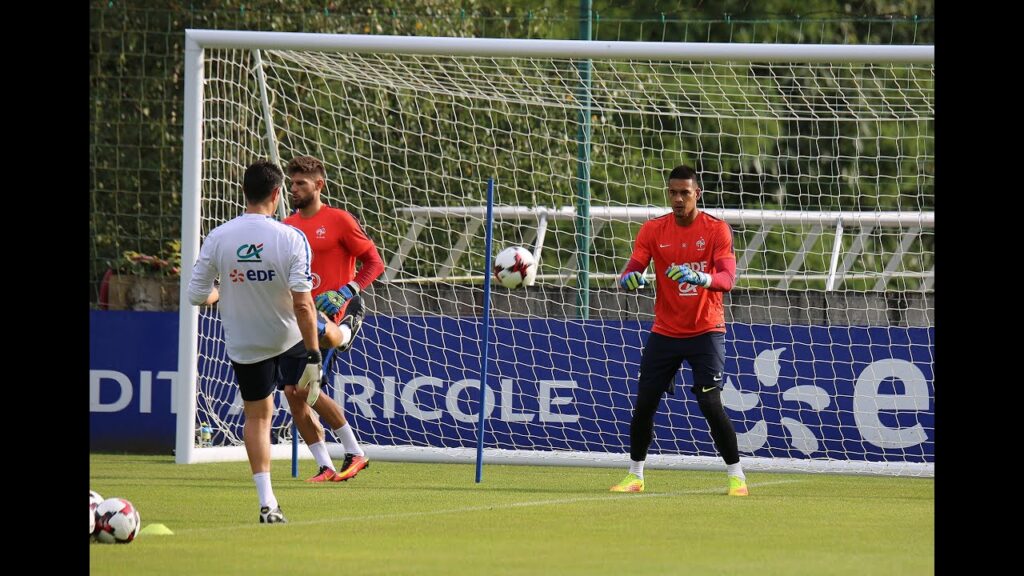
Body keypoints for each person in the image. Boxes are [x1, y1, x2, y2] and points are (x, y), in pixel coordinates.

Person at [187, 159, 325, 523]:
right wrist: (314, 354)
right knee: (301, 399)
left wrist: (227, 291)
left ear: (244, 192)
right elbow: (304, 303)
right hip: (289, 338)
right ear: (278, 194)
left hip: (245, 342)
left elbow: (197, 295)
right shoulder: (291, 237)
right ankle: (329, 460)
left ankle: (267, 501)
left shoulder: (219, 236)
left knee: (258, 417)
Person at [611, 164, 748, 497]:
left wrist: (702, 278)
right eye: (672, 192)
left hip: (706, 330)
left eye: (684, 192)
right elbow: (632, 268)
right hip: (666, 330)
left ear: (696, 194)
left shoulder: (717, 230)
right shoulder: (653, 230)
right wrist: (629, 278)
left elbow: (728, 279)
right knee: (644, 403)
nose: (677, 198)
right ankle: (636, 475)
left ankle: (737, 477)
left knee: (710, 403)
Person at [281, 155, 386, 483]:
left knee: (309, 375)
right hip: (300, 317)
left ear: (319, 185)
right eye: (292, 183)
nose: (295, 189)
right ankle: (328, 464)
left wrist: (347, 290)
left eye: (302, 183)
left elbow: (374, 262)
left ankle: (345, 329)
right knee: (293, 392)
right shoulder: (285, 227)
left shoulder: (339, 220)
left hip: (336, 311)